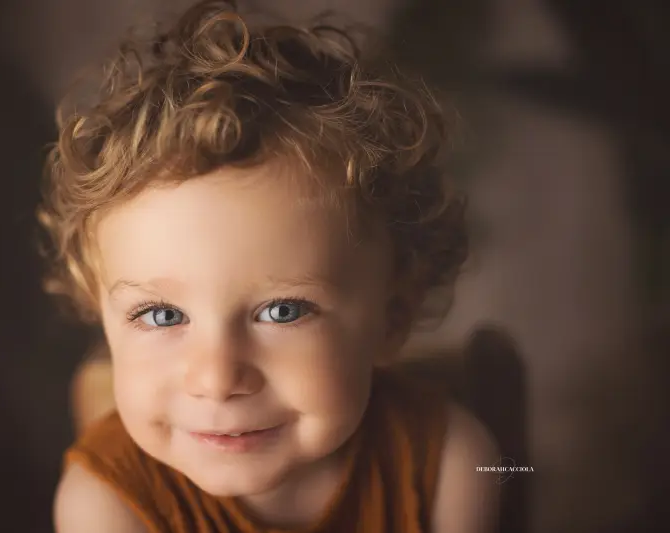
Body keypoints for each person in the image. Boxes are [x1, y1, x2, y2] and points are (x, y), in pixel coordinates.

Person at [39, 1, 500, 531]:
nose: (216, 379)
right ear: (102, 317)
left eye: (282, 311)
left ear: (390, 318)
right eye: (163, 315)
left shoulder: (453, 466)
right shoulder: (104, 505)